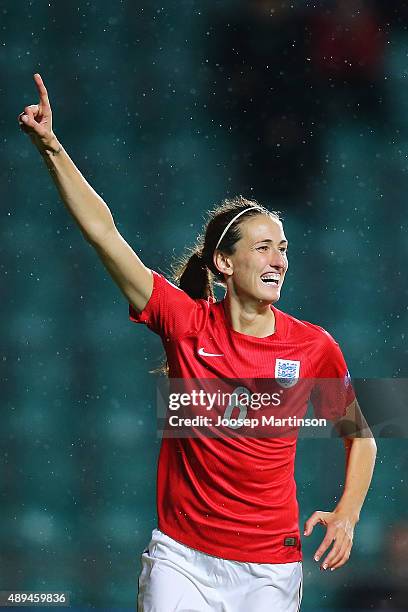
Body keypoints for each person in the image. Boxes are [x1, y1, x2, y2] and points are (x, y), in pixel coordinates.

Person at [18, 73, 377, 612]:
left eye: (283, 247)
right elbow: (104, 232)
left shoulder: (313, 346)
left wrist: (347, 513)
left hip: (270, 569)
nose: (279, 258)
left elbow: (363, 437)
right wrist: (51, 147)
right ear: (225, 263)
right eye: (263, 247)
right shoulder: (186, 323)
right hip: (181, 560)